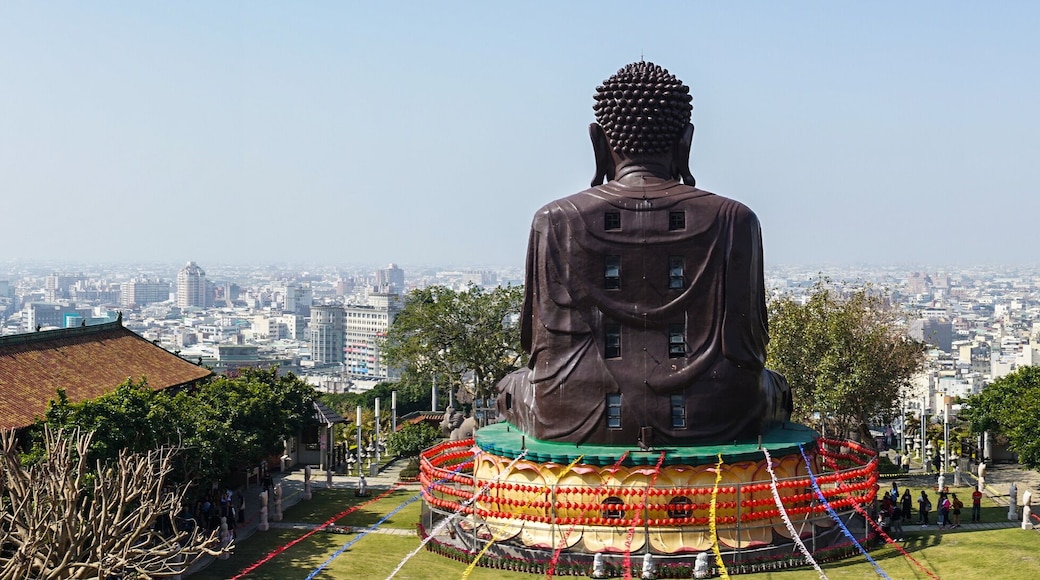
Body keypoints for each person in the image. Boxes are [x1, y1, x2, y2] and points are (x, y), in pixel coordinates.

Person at [496, 61, 791, 446]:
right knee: (776, 387)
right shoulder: (735, 219)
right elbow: (751, 345)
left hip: (568, 409)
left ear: (598, 142)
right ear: (686, 141)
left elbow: (535, 348)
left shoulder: (555, 219)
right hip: (719, 411)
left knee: (510, 385)